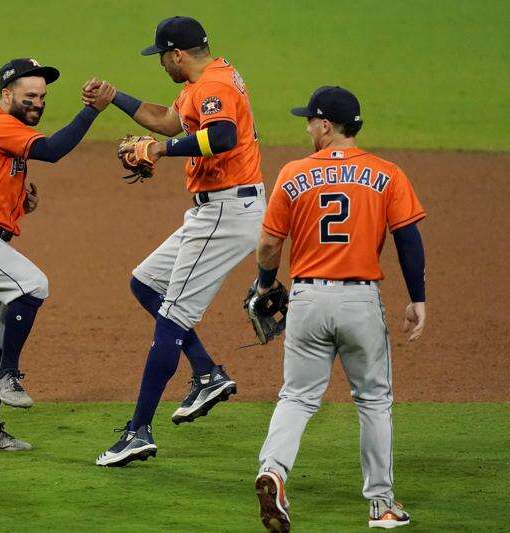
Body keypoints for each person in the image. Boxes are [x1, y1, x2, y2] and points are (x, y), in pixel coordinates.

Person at [85, 16, 265, 467]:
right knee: (146, 283)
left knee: (172, 317)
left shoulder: (213, 87)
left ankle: (138, 431)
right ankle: (206, 372)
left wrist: (162, 151)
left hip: (225, 212)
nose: (161, 64)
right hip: (215, 208)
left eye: (162, 56)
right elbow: (167, 121)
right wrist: (115, 99)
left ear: (178, 54)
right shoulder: (202, 83)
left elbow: (221, 137)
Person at [252, 86, 426, 531]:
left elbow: (271, 242)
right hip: (360, 301)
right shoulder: (386, 173)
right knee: (373, 400)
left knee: (296, 396)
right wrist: (417, 298)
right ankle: (382, 505)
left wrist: (266, 283)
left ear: (326, 125)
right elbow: (409, 239)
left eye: (309, 121)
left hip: (308, 300)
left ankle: (272, 471)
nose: (307, 128)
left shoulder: (293, 174)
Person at [0, 58, 116, 451]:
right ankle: (7, 374)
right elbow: (53, 150)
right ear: (6, 94)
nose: (38, 103)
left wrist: (17, 202)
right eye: (29, 96)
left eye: (42, 97)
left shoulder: (0, 125)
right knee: (32, 286)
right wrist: (92, 111)